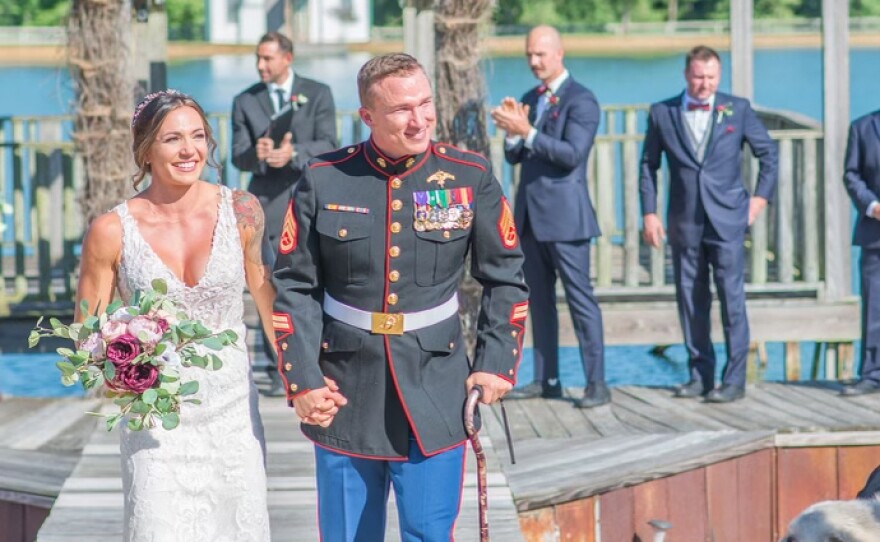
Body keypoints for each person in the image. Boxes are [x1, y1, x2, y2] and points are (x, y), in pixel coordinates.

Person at [271, 53, 529, 541]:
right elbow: (294, 286)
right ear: (368, 116)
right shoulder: (325, 177)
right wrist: (302, 380)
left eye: (425, 103)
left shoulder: (468, 177)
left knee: (430, 533)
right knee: (349, 534)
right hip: (343, 388)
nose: (420, 119)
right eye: (402, 109)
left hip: (435, 385)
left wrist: (497, 361)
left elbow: (507, 277)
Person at [76, 90, 274, 540]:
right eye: (172, 139)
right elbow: (85, 334)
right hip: (154, 416)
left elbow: (268, 303)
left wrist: (302, 381)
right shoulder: (111, 230)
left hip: (232, 412)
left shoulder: (242, 211)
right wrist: (119, 370)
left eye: (198, 136)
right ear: (145, 150)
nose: (189, 150)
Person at [640, 45, 778, 403]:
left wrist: (759, 199)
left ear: (719, 77)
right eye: (699, 77)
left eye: (711, 78)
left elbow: (768, 154)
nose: (705, 84)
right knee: (690, 299)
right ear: (687, 75)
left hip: (728, 219)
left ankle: (734, 381)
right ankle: (700, 376)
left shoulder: (738, 108)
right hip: (684, 221)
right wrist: (649, 213)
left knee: (732, 300)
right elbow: (648, 165)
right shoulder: (662, 112)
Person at [490, 25, 609, 408]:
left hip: (567, 219)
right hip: (529, 218)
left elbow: (572, 154)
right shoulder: (530, 97)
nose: (533, 61)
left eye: (540, 54)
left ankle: (596, 384)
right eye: (528, 54)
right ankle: (547, 379)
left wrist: (525, 131)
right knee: (538, 303)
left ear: (559, 53)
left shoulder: (582, 100)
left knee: (580, 301)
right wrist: (512, 133)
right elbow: (516, 156)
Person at [232, 31, 337, 396]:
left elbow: (329, 143)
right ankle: (280, 373)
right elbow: (237, 155)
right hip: (268, 205)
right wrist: (258, 154)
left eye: (268, 59)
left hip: (310, 199)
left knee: (318, 282)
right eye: (258, 59)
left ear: (287, 59)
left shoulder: (318, 92)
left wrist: (293, 154)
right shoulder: (244, 101)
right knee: (269, 283)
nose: (261, 65)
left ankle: (322, 362)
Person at [841, 108, 880, 396]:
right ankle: (871, 374)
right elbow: (851, 175)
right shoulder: (863, 127)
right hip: (875, 232)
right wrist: (872, 206)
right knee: (875, 307)